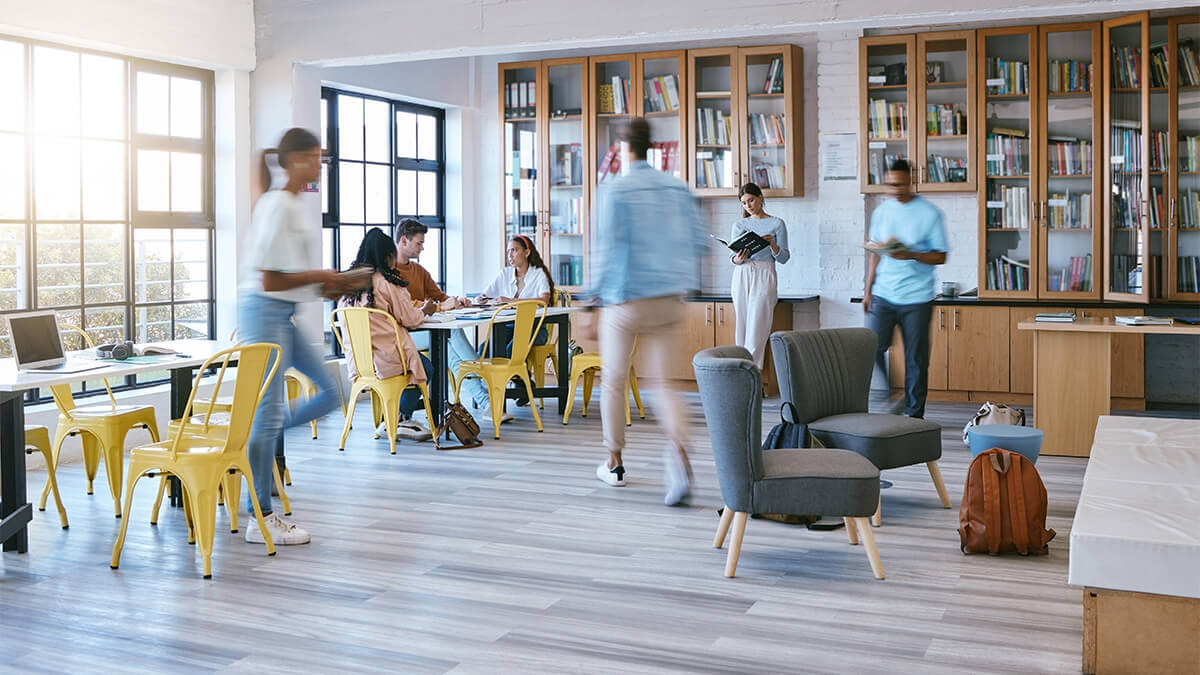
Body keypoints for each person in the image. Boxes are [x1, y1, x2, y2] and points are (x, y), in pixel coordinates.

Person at [238, 127, 368, 545]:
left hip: (283, 313)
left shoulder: (292, 205)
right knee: (267, 414)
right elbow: (270, 279)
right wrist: (323, 277)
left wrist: (331, 285)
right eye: (315, 158)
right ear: (295, 160)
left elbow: (290, 279)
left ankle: (254, 444)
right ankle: (261, 515)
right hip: (263, 313)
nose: (319, 166)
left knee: (333, 393)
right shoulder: (277, 205)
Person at [588, 117, 706, 505]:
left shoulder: (616, 189)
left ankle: (615, 462)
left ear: (624, 147)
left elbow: (608, 248)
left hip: (626, 299)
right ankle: (678, 458)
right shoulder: (677, 188)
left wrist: (591, 300)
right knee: (663, 385)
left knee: (614, 380)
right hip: (670, 297)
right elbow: (697, 243)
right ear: (652, 146)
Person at [863, 159, 949, 419]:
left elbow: (940, 256)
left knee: (916, 360)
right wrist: (868, 290)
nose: (895, 190)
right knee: (870, 348)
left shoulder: (929, 213)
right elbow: (876, 253)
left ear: (911, 181)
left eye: (900, 184)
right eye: (890, 185)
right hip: (883, 294)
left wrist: (910, 254)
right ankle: (891, 392)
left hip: (917, 298)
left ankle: (914, 414)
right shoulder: (881, 212)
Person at [338, 227, 438, 440]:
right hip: (388, 358)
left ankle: (393, 419)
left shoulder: (348, 286)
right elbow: (410, 318)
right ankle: (400, 418)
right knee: (425, 366)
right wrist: (426, 310)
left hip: (361, 361)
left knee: (418, 363)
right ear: (387, 256)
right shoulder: (387, 283)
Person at [729, 182, 790, 379]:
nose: (748, 205)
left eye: (751, 200)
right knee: (742, 326)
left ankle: (752, 376)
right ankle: (741, 375)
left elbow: (784, 258)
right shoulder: (739, 225)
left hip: (765, 273)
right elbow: (733, 258)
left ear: (760, 198)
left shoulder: (777, 223)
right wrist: (737, 259)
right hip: (743, 274)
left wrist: (772, 244)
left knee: (758, 327)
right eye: (744, 203)